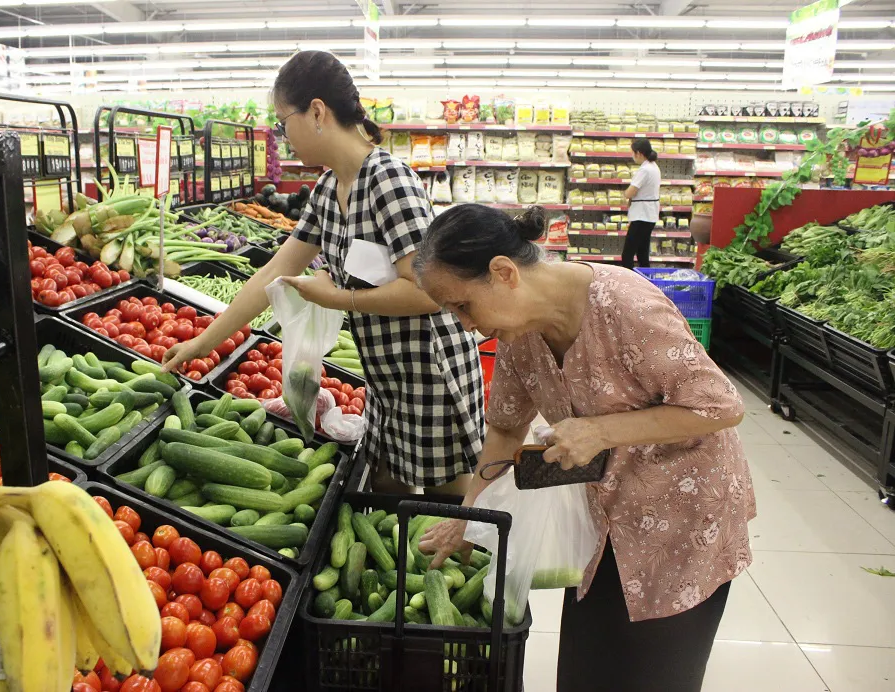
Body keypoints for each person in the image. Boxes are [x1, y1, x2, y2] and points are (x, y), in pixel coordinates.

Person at [413, 204, 756, 692]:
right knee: (587, 667)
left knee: (657, 673)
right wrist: (470, 514)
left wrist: (601, 431)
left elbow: (721, 407)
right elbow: (507, 430)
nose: (465, 324)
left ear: (504, 273)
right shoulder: (518, 333)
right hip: (603, 520)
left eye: (463, 306)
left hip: (683, 522)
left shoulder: (625, 305)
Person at [161, 51, 484, 495]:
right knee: (391, 497)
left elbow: (430, 292)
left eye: (282, 121)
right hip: (386, 376)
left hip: (430, 375)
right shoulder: (329, 190)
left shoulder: (388, 181)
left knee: (447, 512)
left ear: (316, 112)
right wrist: (202, 342)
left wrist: (336, 299)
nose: (281, 134)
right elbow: (275, 272)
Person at [621, 139, 661, 269]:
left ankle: (628, 282)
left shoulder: (644, 170)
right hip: (649, 215)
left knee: (627, 254)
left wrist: (625, 194)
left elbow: (631, 192)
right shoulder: (654, 166)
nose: (632, 156)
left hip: (641, 215)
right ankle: (646, 280)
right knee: (642, 254)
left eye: (633, 153)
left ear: (638, 153)